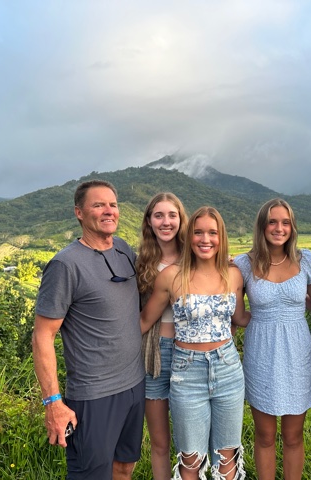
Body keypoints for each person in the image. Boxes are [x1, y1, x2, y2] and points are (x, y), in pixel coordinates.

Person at [32, 180, 145, 480]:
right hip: (95, 395)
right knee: (91, 475)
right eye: (98, 205)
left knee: (124, 466)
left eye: (113, 204)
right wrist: (53, 402)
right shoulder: (65, 265)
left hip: (134, 385)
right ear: (79, 213)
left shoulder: (123, 249)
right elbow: (43, 336)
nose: (109, 211)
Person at [140, 206, 250, 480]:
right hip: (186, 372)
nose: (205, 239)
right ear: (188, 237)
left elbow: (240, 318)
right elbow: (143, 322)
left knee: (228, 458)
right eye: (198, 232)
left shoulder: (233, 275)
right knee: (190, 460)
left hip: (227, 368)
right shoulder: (171, 276)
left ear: (221, 237)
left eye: (212, 233)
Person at [233, 198, 311, 480]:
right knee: (265, 435)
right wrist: (262, 320)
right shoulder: (244, 264)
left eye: (285, 222)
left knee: (294, 436)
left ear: (292, 227)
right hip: (261, 353)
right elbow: (238, 315)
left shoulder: (306, 258)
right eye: (272, 221)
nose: (279, 228)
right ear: (262, 225)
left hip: (297, 352)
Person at [136, 192, 188, 480]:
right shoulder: (139, 261)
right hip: (152, 353)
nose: (166, 221)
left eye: (172, 215)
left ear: (181, 220)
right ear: (149, 221)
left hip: (189, 353)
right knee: (159, 441)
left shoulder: (196, 257)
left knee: (188, 442)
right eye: (159, 215)